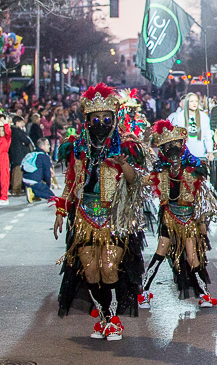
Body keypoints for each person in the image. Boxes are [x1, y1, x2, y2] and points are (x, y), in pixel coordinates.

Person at [53, 84, 148, 341]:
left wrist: (124, 164)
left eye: (106, 118)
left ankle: (114, 320)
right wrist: (61, 211)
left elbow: (134, 182)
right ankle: (105, 317)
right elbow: (71, 184)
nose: (101, 123)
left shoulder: (126, 146)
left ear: (114, 119)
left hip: (114, 218)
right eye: (95, 119)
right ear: (87, 120)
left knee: (109, 268)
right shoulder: (77, 149)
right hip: (84, 218)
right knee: (91, 271)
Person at [139, 120, 217, 311]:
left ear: (182, 143)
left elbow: (201, 197)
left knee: (193, 257)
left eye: (175, 144)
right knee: (161, 252)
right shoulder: (160, 168)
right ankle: (143, 292)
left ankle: (203, 294)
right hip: (169, 216)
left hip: (189, 218)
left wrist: (202, 221)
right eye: (167, 145)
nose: (172, 148)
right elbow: (143, 181)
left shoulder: (194, 167)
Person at [168, 92, 213, 160]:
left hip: (200, 155)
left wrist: (210, 152)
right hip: (184, 156)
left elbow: (207, 136)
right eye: (191, 101)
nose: (194, 103)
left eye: (196, 101)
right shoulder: (179, 116)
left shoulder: (203, 117)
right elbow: (175, 137)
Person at [21, 138, 55, 203]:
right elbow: (47, 173)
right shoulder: (44, 156)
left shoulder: (32, 154)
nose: (49, 146)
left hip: (25, 179)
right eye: (47, 145)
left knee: (40, 186)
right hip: (34, 180)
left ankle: (32, 190)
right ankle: (33, 193)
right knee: (52, 197)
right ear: (42, 146)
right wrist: (48, 186)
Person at [8, 115, 35, 195]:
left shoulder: (12, 130)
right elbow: (26, 140)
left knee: (15, 171)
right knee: (18, 171)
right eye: (21, 122)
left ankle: (15, 188)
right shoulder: (17, 130)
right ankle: (16, 189)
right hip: (19, 154)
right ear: (17, 123)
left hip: (15, 153)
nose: (23, 123)